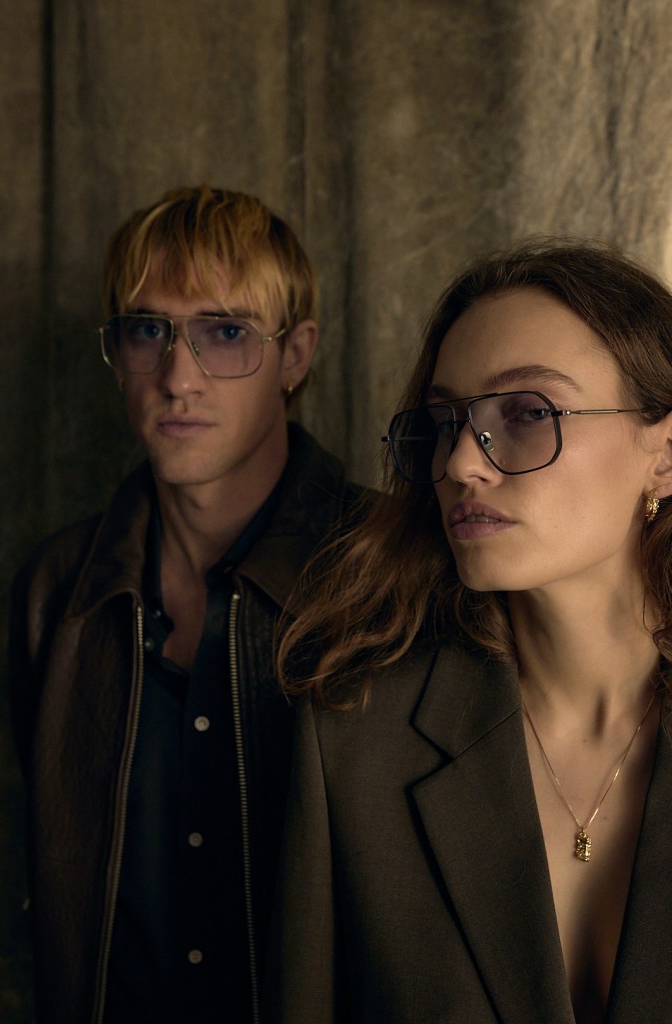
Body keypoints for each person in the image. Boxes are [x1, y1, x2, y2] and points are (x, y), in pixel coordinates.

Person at [271, 239, 672, 1024]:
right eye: (444, 422)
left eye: (526, 413)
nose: (459, 463)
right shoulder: (354, 743)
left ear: (662, 457)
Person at [9, 185, 363, 1024]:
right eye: (147, 330)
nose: (176, 378)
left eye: (225, 332)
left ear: (295, 355)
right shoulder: (57, 589)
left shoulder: (380, 572)